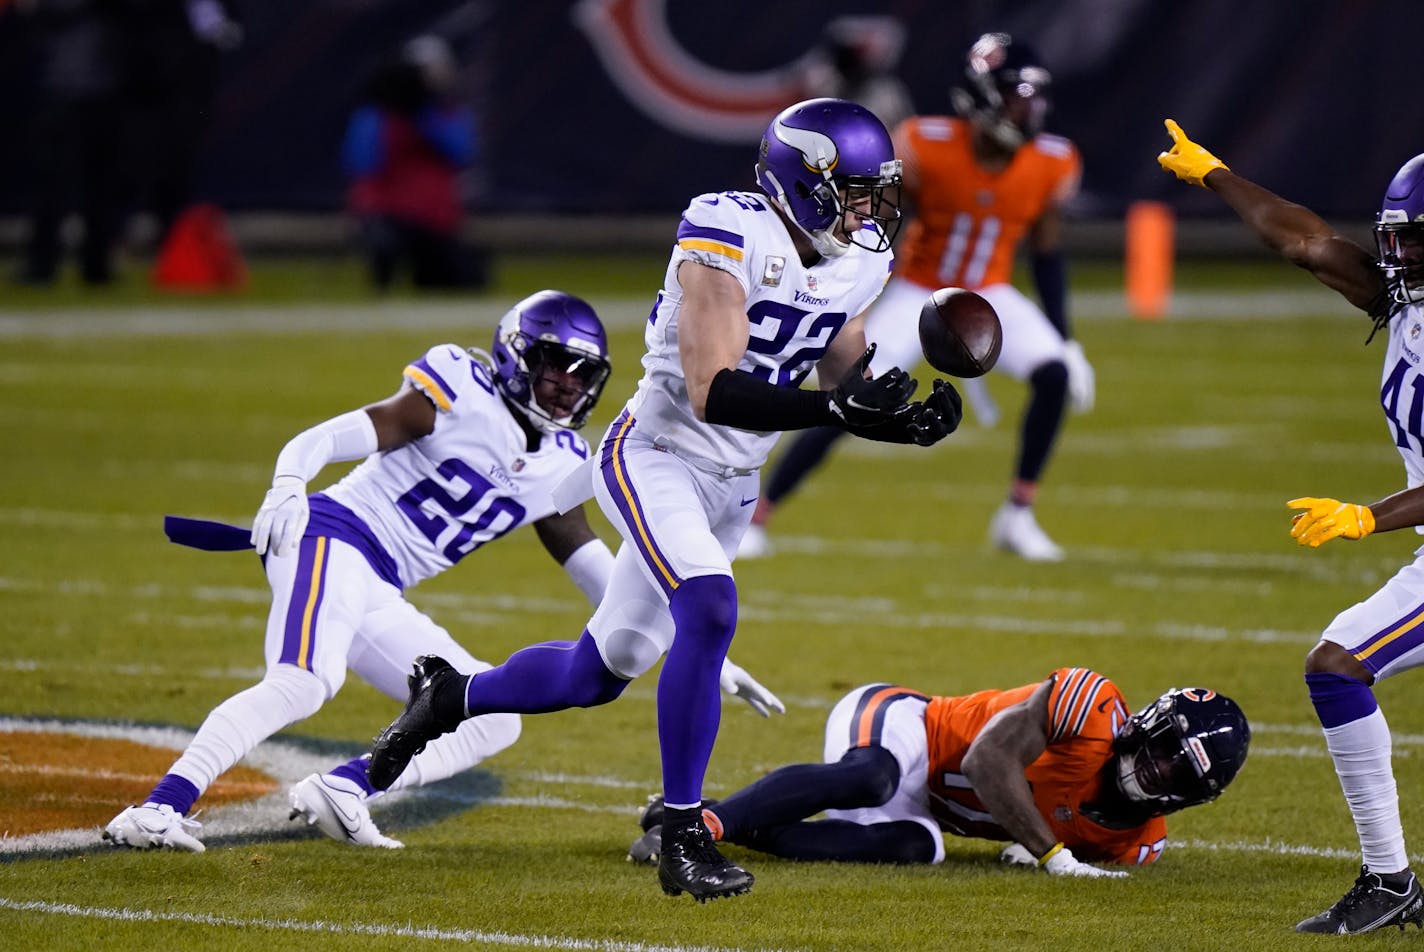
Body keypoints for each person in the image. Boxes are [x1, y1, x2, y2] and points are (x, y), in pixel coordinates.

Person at [359, 98, 963, 901]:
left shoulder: (857, 259)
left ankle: (450, 694)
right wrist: (835, 411)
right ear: (804, 184)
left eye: (871, 190)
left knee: (598, 671)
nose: (867, 208)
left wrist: (898, 416)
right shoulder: (725, 232)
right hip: (658, 453)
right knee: (710, 609)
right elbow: (714, 390)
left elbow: (840, 363)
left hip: (735, 480)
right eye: (853, 190)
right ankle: (683, 831)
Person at [101, 290, 782, 853]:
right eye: (554, 366)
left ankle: (346, 787)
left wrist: (702, 651)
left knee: (488, 716)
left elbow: (597, 570)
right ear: (516, 357)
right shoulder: (458, 387)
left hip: (378, 580)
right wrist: (288, 479)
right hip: (332, 536)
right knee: (304, 680)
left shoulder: (561, 458)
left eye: (582, 374)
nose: (567, 385)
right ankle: (159, 808)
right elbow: (346, 431)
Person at [1157, 120, 1424, 935]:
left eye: (1415, 244)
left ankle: (1391, 882)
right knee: (1337, 667)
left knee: (1339, 666)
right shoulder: (1406, 301)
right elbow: (1307, 243)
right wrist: (1215, 175)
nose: (1397, 259)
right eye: (1397, 242)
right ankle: (1393, 883)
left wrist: (1365, 517)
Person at [742, 33, 1094, 562]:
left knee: (1054, 374)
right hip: (920, 290)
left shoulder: (1055, 161)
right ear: (982, 96)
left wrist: (1066, 339)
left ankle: (1018, 515)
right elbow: (871, 219)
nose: (1028, 110)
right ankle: (760, 514)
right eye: (1016, 95)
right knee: (851, 389)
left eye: (1033, 97)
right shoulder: (924, 144)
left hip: (991, 292)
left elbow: (1046, 251)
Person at [627, 668, 1248, 876]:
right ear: (1147, 723)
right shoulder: (1091, 709)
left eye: (1180, 771)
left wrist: (1030, 852)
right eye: (1165, 747)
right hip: (910, 727)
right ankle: (705, 825)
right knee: (870, 778)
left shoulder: (1136, 842)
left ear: (1196, 795)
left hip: (931, 809)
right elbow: (987, 762)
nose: (1160, 768)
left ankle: (694, 820)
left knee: (918, 849)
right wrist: (1052, 854)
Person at [341, 34, 489, 292]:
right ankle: (381, 285)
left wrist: (424, 117)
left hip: (433, 217)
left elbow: (462, 152)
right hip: (388, 211)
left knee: (455, 279)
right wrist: (391, 112)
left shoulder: (445, 113)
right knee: (384, 242)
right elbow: (363, 163)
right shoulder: (378, 114)